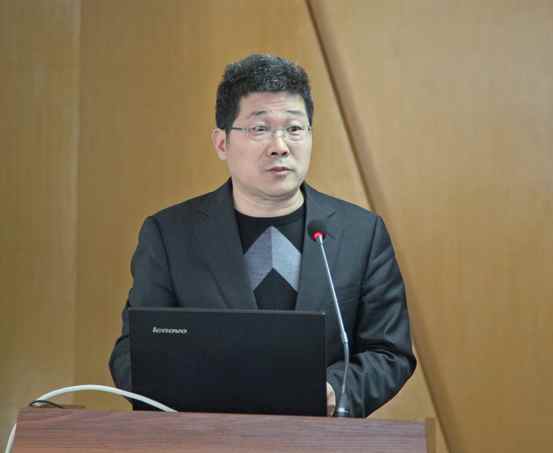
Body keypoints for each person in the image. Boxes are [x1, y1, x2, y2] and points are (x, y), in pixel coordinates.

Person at [109, 54, 416, 417]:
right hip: (207, 436)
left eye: (294, 128)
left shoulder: (361, 234)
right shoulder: (170, 235)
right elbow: (134, 353)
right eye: (259, 128)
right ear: (222, 143)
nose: (280, 145)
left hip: (319, 437)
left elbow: (389, 352)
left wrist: (334, 390)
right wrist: (199, 397)